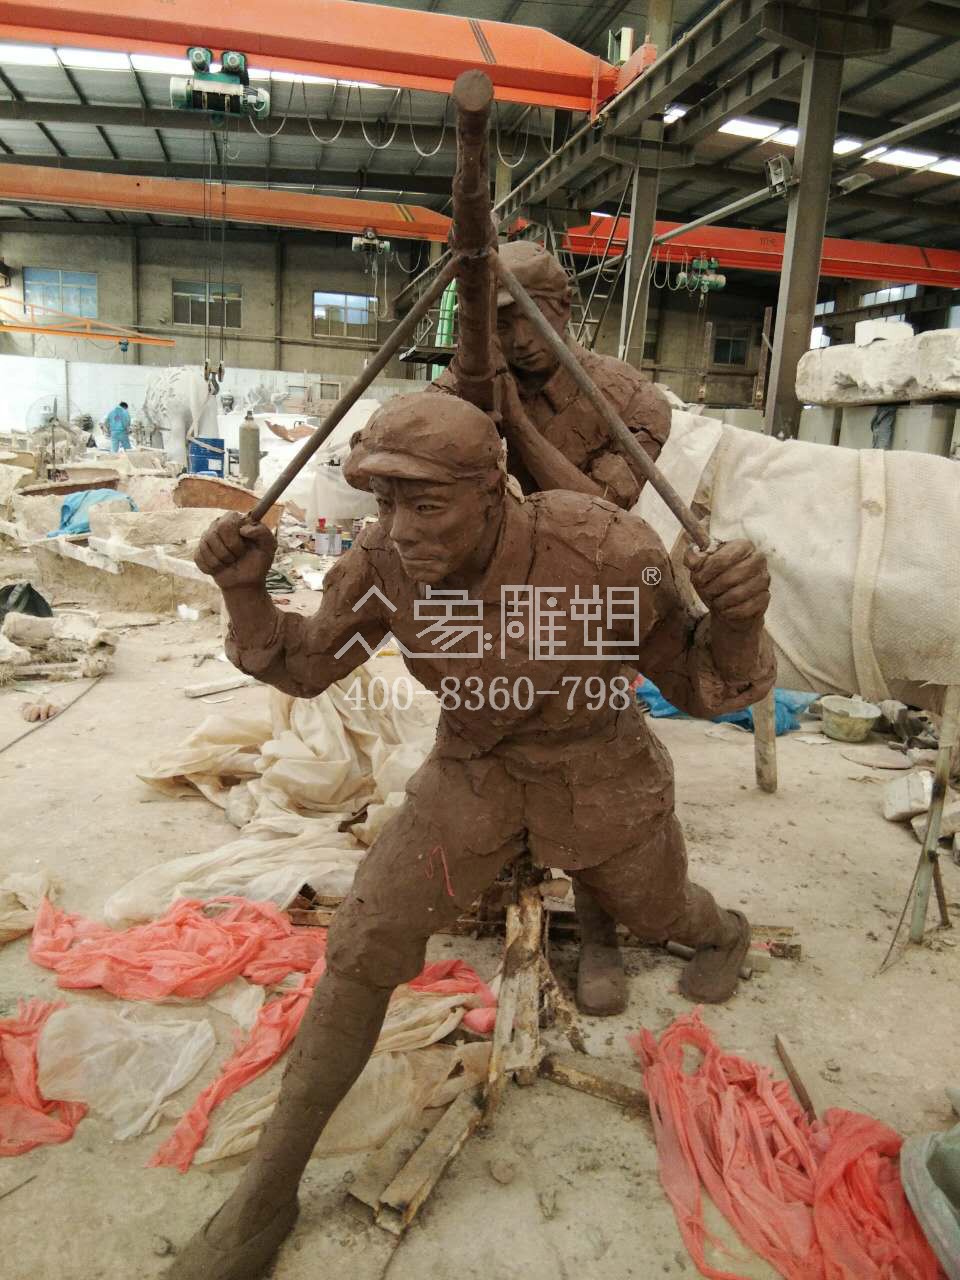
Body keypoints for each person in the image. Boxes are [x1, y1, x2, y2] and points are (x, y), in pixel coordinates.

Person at [168, 391, 774, 1280]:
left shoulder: (608, 553)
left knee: (660, 912)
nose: (399, 528)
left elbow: (706, 687)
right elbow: (303, 664)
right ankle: (266, 1194)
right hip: (473, 770)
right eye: (385, 502)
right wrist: (242, 590)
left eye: (426, 504)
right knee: (363, 942)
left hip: (598, 763)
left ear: (493, 490)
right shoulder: (385, 561)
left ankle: (722, 931)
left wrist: (739, 621)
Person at [436, 239, 675, 1015]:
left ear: (562, 309)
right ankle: (502, 889)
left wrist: (515, 425)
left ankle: (601, 931)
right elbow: (386, 459)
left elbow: (604, 516)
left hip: (587, 606)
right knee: (482, 748)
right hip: (492, 613)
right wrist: (462, 399)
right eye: (492, 323)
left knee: (592, 772)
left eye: (520, 319)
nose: (508, 339)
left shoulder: (631, 400)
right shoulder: (466, 381)